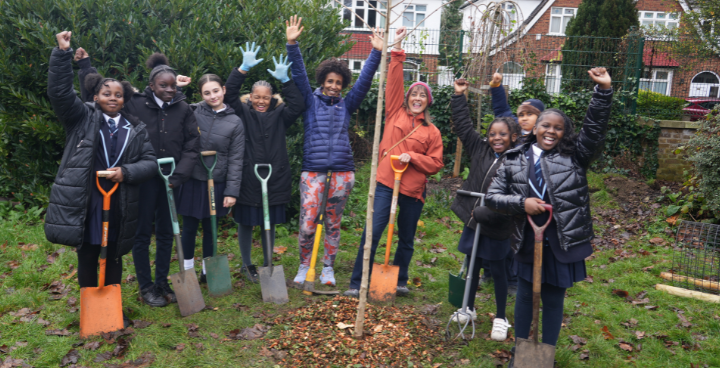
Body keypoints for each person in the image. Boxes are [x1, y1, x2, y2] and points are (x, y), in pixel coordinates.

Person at [485, 68, 613, 366]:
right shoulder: (514, 158)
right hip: (529, 237)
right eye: (545, 126)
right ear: (534, 128)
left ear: (564, 133)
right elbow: (493, 197)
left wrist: (603, 92)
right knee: (526, 296)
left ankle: (547, 353)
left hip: (562, 238)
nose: (551, 131)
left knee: (554, 299)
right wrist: (522, 203)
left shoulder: (575, 157)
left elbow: (593, 130)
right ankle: (522, 349)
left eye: (558, 128)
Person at [77, 50, 201, 307]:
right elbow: (100, 95)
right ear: (152, 86)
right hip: (142, 180)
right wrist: (84, 66)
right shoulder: (135, 103)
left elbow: (192, 145)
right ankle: (146, 286)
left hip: (171, 181)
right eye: (163, 86)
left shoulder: (184, 108)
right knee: (142, 233)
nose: (169, 90)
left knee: (167, 232)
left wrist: (178, 176)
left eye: (172, 85)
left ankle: (163, 282)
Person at [45, 32, 156, 312]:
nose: (113, 98)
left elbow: (151, 162)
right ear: (95, 96)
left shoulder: (136, 129)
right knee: (88, 252)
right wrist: (62, 53)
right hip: (88, 199)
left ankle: (111, 307)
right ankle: (90, 309)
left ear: (124, 100)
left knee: (115, 254)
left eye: (118, 95)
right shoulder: (81, 118)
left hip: (118, 200)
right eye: (107, 93)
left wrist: (127, 172)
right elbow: (59, 93)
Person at [344, 27, 444, 298]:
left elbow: (436, 163)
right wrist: (397, 51)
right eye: (414, 94)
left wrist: (416, 158)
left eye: (423, 96)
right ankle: (357, 282)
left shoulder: (432, 132)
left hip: (412, 190)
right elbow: (395, 82)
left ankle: (399, 280)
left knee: (407, 238)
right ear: (408, 98)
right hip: (387, 182)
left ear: (428, 102)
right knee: (373, 232)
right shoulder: (395, 113)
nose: (417, 99)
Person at [284, 16, 383, 286]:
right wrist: (292, 44)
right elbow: (299, 74)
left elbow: (364, 81)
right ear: (322, 80)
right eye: (329, 81)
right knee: (307, 224)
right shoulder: (309, 101)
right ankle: (306, 264)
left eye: (338, 82)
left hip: (342, 173)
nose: (333, 85)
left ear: (343, 85)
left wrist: (376, 52)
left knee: (332, 224)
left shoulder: (347, 105)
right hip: (313, 172)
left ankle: (327, 267)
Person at [224, 42, 305, 283]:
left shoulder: (281, 115)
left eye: (266, 98)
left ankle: (268, 262)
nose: (261, 101)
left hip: (274, 177)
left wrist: (287, 81)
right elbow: (228, 94)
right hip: (249, 176)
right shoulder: (242, 112)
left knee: (268, 222)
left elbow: (299, 105)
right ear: (250, 97)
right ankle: (247, 264)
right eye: (256, 97)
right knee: (247, 222)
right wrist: (242, 69)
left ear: (272, 98)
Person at [449, 78, 520, 340]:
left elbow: (513, 196)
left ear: (513, 137)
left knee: (499, 270)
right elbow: (464, 126)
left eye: (502, 134)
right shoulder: (480, 150)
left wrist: (490, 212)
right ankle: (467, 307)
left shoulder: (517, 161)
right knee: (473, 265)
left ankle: (501, 317)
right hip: (473, 222)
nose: (496, 138)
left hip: (497, 224)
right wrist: (459, 96)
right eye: (492, 134)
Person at [176, 74, 245, 282]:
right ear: (201, 95)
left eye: (216, 91)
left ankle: (208, 271)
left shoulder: (235, 122)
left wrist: (232, 191)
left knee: (210, 227)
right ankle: (187, 270)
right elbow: (172, 110)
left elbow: (236, 158)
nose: (212, 96)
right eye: (207, 93)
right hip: (192, 178)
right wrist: (178, 88)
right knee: (188, 227)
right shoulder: (193, 111)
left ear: (224, 90)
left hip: (216, 181)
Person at [489, 72, 545, 141]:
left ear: (540, 117)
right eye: (521, 115)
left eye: (529, 114)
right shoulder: (515, 127)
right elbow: (502, 111)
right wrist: (496, 86)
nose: (524, 118)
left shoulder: (545, 138)